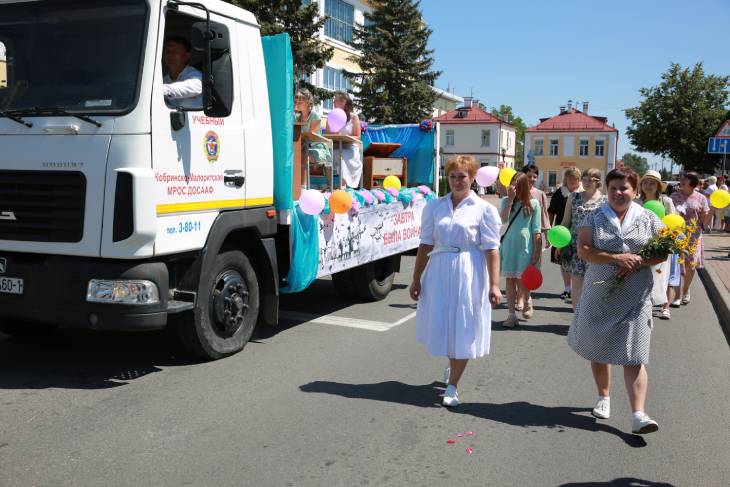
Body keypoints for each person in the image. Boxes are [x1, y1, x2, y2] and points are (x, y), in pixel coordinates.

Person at [567, 168, 665, 435]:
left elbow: (663, 252)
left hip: (636, 296)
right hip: (600, 294)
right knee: (599, 347)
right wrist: (616, 258)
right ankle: (603, 396)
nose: (619, 193)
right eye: (613, 189)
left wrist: (638, 261)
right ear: (607, 190)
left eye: (624, 188)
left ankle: (638, 415)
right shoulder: (594, 216)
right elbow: (584, 250)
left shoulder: (649, 219)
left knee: (635, 354)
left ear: (635, 190)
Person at [410, 155, 502, 407]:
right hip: (439, 269)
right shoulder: (435, 207)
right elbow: (425, 243)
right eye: (453, 176)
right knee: (445, 323)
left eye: (463, 176)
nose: (458, 181)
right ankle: (453, 367)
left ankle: (453, 386)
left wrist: (494, 284)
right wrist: (416, 278)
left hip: (469, 270)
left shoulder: (484, 209)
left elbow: (492, 249)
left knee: (464, 324)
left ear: (473, 178)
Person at [559, 168, 606, 310]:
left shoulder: (605, 200)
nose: (586, 182)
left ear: (597, 182)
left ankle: (589, 319)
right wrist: (559, 244)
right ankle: (577, 320)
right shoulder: (573, 197)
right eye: (584, 179)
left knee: (593, 286)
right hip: (575, 247)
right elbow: (566, 222)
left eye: (590, 180)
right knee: (577, 284)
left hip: (595, 248)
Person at [499, 172, 541, 327]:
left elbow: (536, 229)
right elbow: (503, 219)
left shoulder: (534, 203)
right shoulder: (505, 201)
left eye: (516, 183)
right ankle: (511, 315)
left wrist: (537, 251)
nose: (513, 186)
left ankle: (527, 298)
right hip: (509, 244)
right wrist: (510, 201)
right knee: (510, 279)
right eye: (512, 183)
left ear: (522, 185)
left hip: (526, 245)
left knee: (522, 278)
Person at [638, 170, 679, 319]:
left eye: (652, 183)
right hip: (640, 246)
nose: (648, 185)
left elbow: (673, 224)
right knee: (642, 281)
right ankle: (644, 314)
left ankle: (663, 307)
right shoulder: (636, 202)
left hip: (659, 247)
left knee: (659, 280)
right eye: (645, 182)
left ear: (658, 186)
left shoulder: (666, 201)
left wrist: (667, 243)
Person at [670, 171, 711, 305]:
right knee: (677, 265)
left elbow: (704, 220)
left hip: (694, 235)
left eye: (685, 179)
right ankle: (676, 295)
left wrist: (713, 211)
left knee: (691, 266)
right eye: (681, 178)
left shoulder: (701, 198)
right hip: (677, 234)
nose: (681, 181)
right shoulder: (674, 196)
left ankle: (686, 290)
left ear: (692, 183)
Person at [517, 165, 551, 311]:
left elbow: (543, 215)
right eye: (529, 176)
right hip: (520, 237)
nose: (532, 179)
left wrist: (547, 235)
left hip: (534, 237)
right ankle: (520, 297)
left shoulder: (540, 194)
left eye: (534, 177)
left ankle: (527, 296)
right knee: (517, 268)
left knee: (530, 268)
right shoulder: (516, 192)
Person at [548, 167, 582, 301]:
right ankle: (567, 288)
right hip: (561, 232)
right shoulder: (559, 193)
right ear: (565, 179)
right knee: (564, 260)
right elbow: (551, 211)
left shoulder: (583, 194)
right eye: (569, 178)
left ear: (579, 180)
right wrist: (549, 229)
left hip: (579, 232)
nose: (572, 181)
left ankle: (578, 289)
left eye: (575, 179)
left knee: (579, 260)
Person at [294, 89, 332, 188]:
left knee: (302, 152)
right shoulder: (297, 117)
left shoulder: (315, 116)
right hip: (302, 146)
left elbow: (311, 136)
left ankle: (302, 187)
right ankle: (294, 186)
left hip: (316, 147)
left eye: (300, 99)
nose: (297, 101)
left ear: (308, 102)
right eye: (296, 99)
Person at [326, 91, 362, 189]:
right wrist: (334, 135)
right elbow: (328, 135)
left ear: (343, 102)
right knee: (327, 156)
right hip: (335, 146)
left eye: (335, 101)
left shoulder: (353, 117)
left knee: (342, 155)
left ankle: (343, 186)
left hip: (349, 147)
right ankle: (330, 186)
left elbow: (357, 136)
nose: (333, 103)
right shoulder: (331, 116)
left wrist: (345, 137)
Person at [162, 36, 203, 109]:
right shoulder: (163, 80)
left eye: (175, 51)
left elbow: (197, 86)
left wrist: (163, 90)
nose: (170, 55)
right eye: (168, 51)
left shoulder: (195, 75)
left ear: (187, 56)